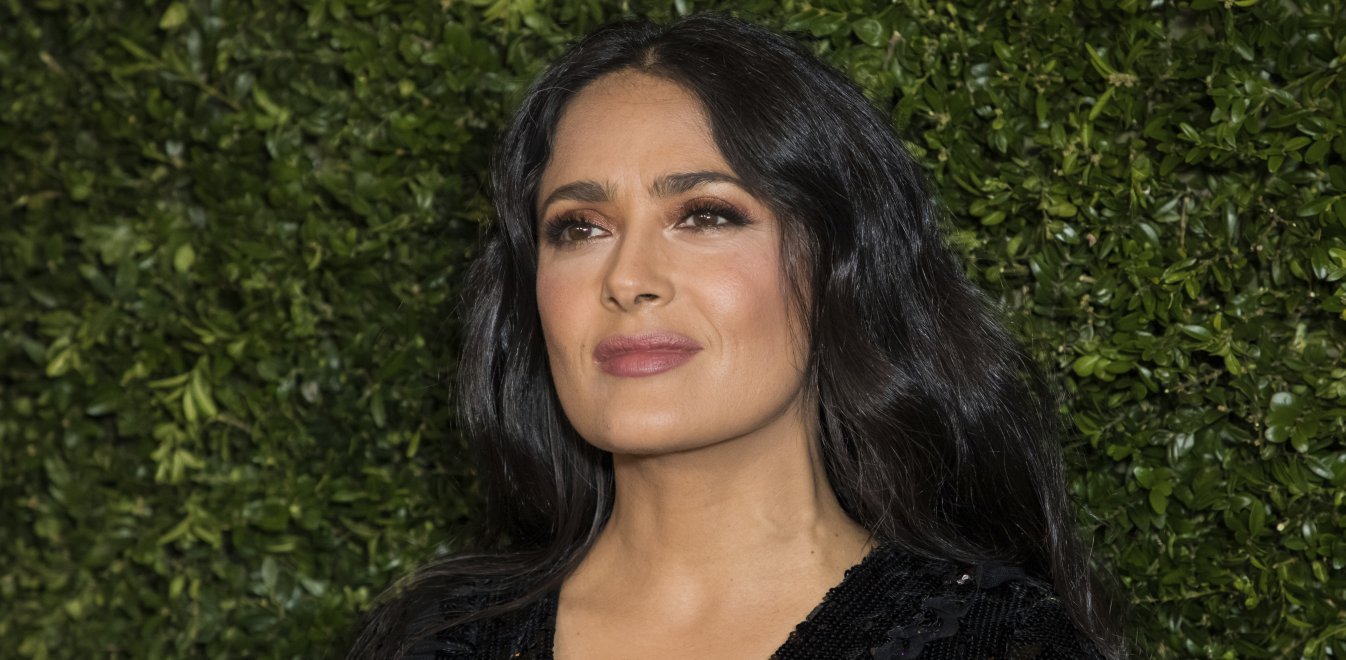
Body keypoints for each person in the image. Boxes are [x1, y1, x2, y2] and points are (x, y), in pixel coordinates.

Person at [348, 12, 1125, 660]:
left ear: (839, 266)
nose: (628, 278)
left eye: (705, 216)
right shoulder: (433, 639)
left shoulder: (999, 642)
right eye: (579, 227)